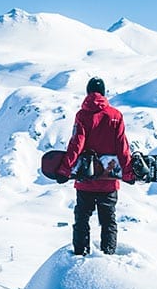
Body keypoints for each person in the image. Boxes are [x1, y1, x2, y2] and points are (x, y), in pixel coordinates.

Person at [56, 77, 134, 255]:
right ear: (104, 93)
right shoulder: (115, 116)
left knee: (82, 219)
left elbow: (77, 143)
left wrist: (64, 169)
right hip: (108, 181)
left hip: (86, 180)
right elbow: (123, 148)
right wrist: (128, 173)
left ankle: (80, 254)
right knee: (108, 221)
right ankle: (108, 256)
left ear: (87, 92)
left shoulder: (82, 115)